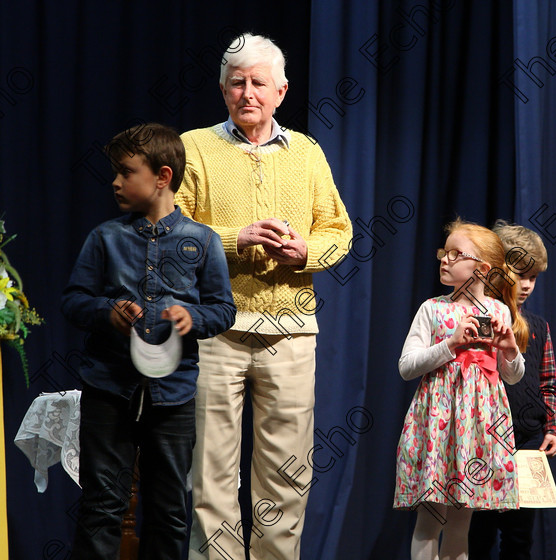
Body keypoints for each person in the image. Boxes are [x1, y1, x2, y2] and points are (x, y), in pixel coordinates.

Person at [175, 33, 353, 560]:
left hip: (291, 331)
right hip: (215, 331)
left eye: (258, 83)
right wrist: (235, 240)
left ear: (281, 91)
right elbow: (169, 230)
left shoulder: (307, 152)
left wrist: (305, 253)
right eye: (237, 82)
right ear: (224, 90)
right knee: (211, 474)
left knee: (287, 474)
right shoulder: (195, 147)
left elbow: (339, 231)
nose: (247, 92)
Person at [61, 123, 236, 560]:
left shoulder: (203, 240)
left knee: (170, 509)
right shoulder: (105, 237)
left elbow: (223, 309)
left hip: (172, 395)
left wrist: (190, 315)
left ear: (162, 176)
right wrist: (107, 312)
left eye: (126, 172)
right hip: (109, 388)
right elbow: (73, 301)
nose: (116, 183)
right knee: (102, 505)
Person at [394, 219, 527, 560]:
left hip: (477, 427)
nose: (445, 260)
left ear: (482, 269)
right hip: (439, 422)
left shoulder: (498, 310)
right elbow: (406, 366)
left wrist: (510, 349)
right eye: (444, 252)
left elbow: (512, 377)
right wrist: (450, 345)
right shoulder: (433, 309)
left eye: (455, 254)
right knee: (430, 519)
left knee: (460, 523)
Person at [468, 221, 556, 559]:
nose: (526, 285)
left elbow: (548, 382)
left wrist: (551, 427)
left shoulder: (537, 326)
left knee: (519, 538)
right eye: (519, 275)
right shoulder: (478, 319)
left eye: (533, 277)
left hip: (528, 439)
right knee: (477, 534)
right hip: (483, 438)